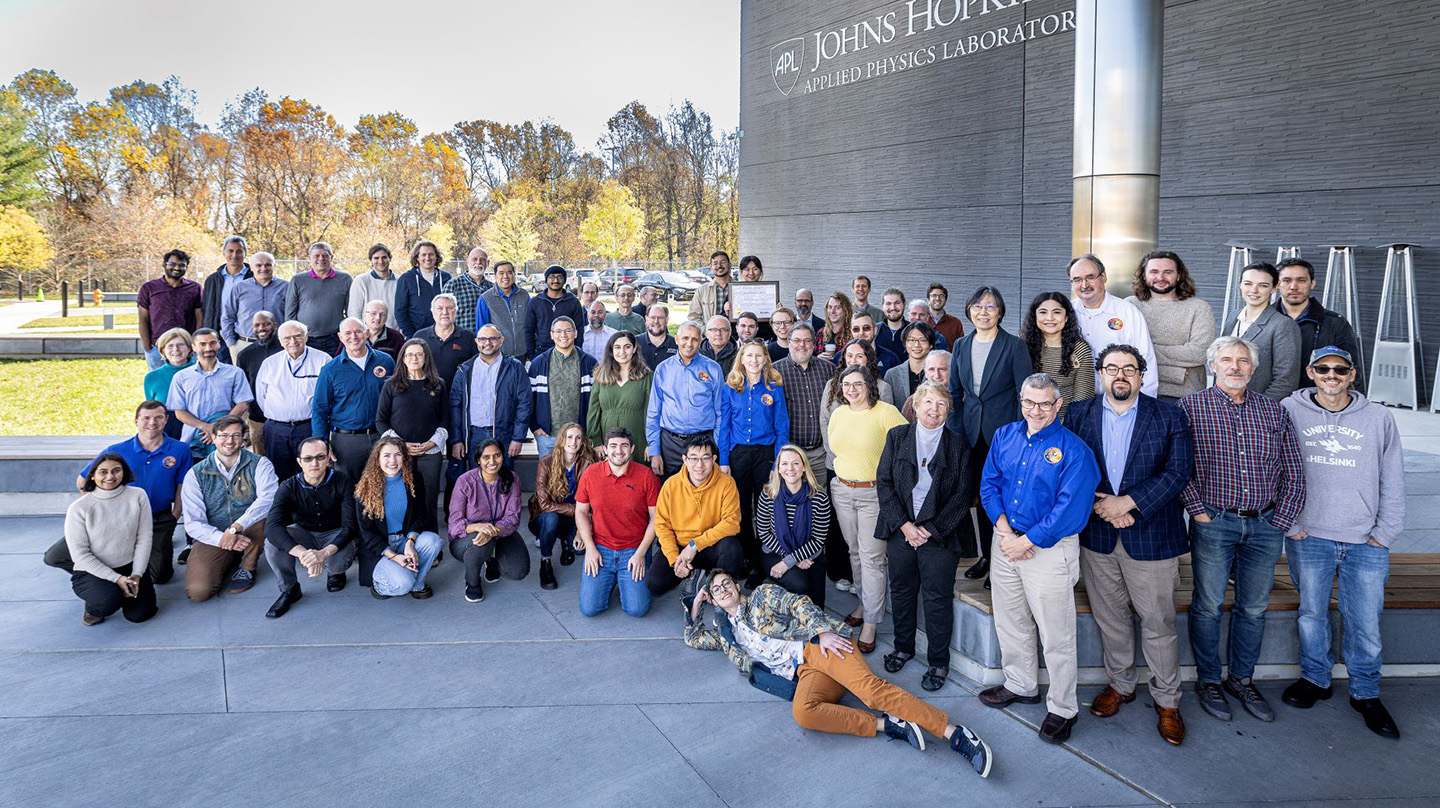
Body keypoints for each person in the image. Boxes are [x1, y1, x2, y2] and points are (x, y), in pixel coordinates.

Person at [684, 569, 993, 777]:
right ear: (712, 599)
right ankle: (890, 726)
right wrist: (695, 605)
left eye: (727, 583)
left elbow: (799, 605)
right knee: (804, 714)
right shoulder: (726, 635)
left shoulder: (762, 596)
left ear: (737, 587)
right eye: (716, 589)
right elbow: (694, 638)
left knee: (871, 692)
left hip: (818, 647)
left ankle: (956, 734)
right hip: (804, 673)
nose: (724, 589)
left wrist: (821, 632)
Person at [1064, 345, 1193, 746]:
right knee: (1111, 619)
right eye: (1112, 368)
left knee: (1159, 623)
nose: (1121, 375)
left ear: (1141, 374)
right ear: (1100, 373)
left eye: (1129, 369)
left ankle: (1167, 700)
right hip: (1099, 535)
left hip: (1152, 534)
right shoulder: (1078, 414)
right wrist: (1105, 506)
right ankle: (1121, 685)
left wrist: (1129, 504)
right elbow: (1069, 469)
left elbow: (1178, 472)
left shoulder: (1170, 415)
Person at [1179, 335, 1305, 724]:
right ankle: (1208, 681)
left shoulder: (1274, 411)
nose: (1235, 366)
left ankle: (1242, 679)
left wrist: (1281, 520)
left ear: (1254, 368)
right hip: (1214, 522)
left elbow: (1295, 471)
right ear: (1212, 365)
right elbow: (1178, 467)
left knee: (1253, 607)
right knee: (1208, 604)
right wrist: (1199, 512)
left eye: (1243, 361)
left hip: (1265, 525)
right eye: (1227, 360)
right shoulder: (1190, 408)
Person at [1280, 346, 1402, 738]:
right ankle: (1316, 679)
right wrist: (1290, 523)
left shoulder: (1379, 417)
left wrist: (1384, 534)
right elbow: (1275, 465)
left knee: (1364, 622)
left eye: (1340, 370)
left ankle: (1365, 692)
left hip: (1365, 540)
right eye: (1323, 369)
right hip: (1310, 533)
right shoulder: (1289, 410)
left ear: (1352, 375)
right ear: (1310, 373)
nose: (1331, 376)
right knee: (1312, 614)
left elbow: (1394, 478)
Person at [977, 373, 1101, 744]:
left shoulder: (1075, 450)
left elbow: (1071, 509)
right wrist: (1004, 532)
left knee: (1056, 633)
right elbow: (990, 483)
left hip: (1049, 550)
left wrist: (1027, 540)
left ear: (1058, 404)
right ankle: (1021, 683)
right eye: (1029, 402)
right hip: (1006, 541)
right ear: (1021, 401)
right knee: (1011, 620)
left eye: (1045, 403)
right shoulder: (1005, 435)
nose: (1036, 410)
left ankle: (1063, 707)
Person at [877, 382, 974, 691]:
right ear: (915, 406)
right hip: (901, 530)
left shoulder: (958, 445)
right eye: (928, 402)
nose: (934, 409)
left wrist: (930, 530)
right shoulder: (897, 437)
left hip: (941, 536)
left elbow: (962, 497)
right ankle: (903, 646)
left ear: (949, 411)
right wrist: (905, 526)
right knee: (902, 591)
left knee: (936, 599)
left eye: (941, 404)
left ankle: (938, 662)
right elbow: (884, 483)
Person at [44, 401, 192, 586]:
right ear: (136, 421)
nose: (152, 422)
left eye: (158, 417)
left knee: (160, 577)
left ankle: (127, 568)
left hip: (157, 519)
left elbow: (182, 486)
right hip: (117, 516)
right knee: (55, 556)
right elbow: (82, 481)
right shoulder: (118, 450)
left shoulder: (180, 450)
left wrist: (175, 515)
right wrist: (98, 507)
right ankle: (98, 578)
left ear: (166, 420)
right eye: (146, 418)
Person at [949, 286, 1031, 586]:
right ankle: (986, 555)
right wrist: (957, 428)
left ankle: (1002, 560)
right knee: (981, 498)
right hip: (970, 434)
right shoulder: (960, 345)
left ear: (1000, 312)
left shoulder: (1014, 346)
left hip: (1005, 435)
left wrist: (1021, 436)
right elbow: (955, 392)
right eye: (978, 306)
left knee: (1002, 498)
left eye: (991, 307)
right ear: (970, 310)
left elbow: (1025, 394)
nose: (983, 312)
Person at [826, 364, 907, 653]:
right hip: (843, 489)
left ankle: (872, 621)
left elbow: (905, 447)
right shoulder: (839, 413)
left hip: (873, 493)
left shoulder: (885, 412)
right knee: (855, 553)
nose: (852, 389)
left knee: (872, 557)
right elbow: (834, 448)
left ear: (869, 385)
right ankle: (865, 602)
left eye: (858, 384)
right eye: (847, 385)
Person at [179, 415, 278, 601]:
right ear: (213, 437)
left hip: (250, 527)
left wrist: (235, 528)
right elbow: (193, 523)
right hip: (215, 533)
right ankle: (231, 554)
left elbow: (268, 499)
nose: (230, 441)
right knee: (199, 592)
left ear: (243, 438)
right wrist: (222, 538)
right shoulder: (196, 474)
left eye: (236, 435)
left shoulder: (260, 464)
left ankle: (248, 566)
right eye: (224, 435)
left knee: (266, 516)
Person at [262, 436, 360, 618]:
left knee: (339, 561)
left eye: (320, 457)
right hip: (304, 534)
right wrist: (304, 554)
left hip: (334, 533)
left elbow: (350, 526)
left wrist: (322, 554)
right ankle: (290, 589)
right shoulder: (288, 486)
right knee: (272, 543)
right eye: (308, 458)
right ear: (299, 462)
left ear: (329, 458)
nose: (314, 463)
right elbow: (272, 526)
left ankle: (335, 572)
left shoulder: (343, 481)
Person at [719, 340, 790, 587]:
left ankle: (763, 563)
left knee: (765, 510)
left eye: (758, 356)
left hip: (765, 454)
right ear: (742, 358)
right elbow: (724, 426)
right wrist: (724, 460)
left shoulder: (774, 387)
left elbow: (782, 428)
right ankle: (746, 558)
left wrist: (776, 465)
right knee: (740, 509)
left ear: (765, 359)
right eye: (749, 355)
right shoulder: (731, 387)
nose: (753, 360)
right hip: (738, 454)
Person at [575, 427, 660, 616]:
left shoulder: (646, 476)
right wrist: (590, 548)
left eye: (624, 446)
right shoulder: (591, 473)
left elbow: (656, 518)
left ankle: (623, 579)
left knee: (637, 609)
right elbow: (581, 511)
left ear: (632, 449)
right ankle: (613, 578)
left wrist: (641, 553)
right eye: (613, 446)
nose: (618, 450)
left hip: (633, 550)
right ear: (605, 449)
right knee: (590, 608)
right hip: (600, 548)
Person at [65, 454, 157, 626]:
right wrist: (116, 579)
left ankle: (121, 589)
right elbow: (80, 555)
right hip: (92, 570)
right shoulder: (79, 508)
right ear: (92, 475)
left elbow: (144, 538)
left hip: (129, 566)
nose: (110, 477)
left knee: (139, 615)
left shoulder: (138, 495)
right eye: (103, 472)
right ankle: (92, 603)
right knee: (107, 602)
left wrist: (137, 574)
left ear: (124, 472)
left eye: (116, 471)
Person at [649, 433, 743, 596]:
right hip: (680, 545)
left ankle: (713, 580)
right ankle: (692, 574)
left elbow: (732, 522)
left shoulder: (726, 483)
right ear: (684, 459)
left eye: (705, 458)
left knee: (732, 549)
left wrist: (695, 545)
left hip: (711, 544)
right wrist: (674, 559)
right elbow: (662, 525)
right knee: (655, 584)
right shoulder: (671, 484)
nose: (699, 465)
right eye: (693, 458)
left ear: (714, 459)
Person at [356, 437, 444, 599]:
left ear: (404, 457)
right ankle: (381, 587)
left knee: (433, 541)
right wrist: (394, 556)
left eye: (397, 455)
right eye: (386, 455)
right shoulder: (366, 487)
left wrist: (410, 542)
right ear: (377, 459)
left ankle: (417, 584)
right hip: (379, 548)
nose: (392, 460)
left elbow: (419, 515)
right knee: (402, 584)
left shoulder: (413, 479)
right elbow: (367, 533)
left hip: (404, 540)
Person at [376, 338, 448, 535]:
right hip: (399, 455)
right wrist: (400, 446)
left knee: (429, 500)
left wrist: (432, 443)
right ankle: (405, 541)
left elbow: (444, 419)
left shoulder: (438, 384)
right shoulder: (391, 385)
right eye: (409, 355)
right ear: (403, 359)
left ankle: (432, 545)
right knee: (402, 498)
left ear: (426, 358)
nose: (414, 358)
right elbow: (380, 421)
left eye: (418, 354)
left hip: (430, 453)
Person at [312, 317, 396, 482]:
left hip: (381, 436)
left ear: (366, 333)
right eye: (348, 333)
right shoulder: (330, 370)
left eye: (358, 331)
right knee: (348, 491)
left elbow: (397, 399)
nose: (354, 337)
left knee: (382, 487)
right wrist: (322, 445)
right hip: (346, 442)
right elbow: (319, 410)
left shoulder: (386, 361)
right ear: (340, 337)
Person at [1127, 250, 1215, 403]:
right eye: (1154, 271)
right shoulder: (1130, 305)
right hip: (1137, 392)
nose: (1160, 277)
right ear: (1144, 275)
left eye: (1168, 272)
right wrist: (1173, 373)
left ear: (1179, 275)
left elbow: (1200, 353)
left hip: (1185, 397)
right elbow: (1124, 352)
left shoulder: (1199, 308)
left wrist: (1146, 350)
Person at [1067, 254, 1159, 397]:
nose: (1084, 285)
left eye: (1090, 277)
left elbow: (1146, 360)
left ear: (1103, 277)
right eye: (1077, 280)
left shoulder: (1128, 312)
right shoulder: (1065, 313)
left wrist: (1145, 402)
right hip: (1075, 400)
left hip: (1119, 399)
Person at [448, 439, 528, 602]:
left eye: (497, 455)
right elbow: (454, 524)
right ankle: (473, 583)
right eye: (486, 457)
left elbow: (512, 518)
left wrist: (493, 531)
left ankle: (492, 559)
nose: (492, 462)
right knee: (480, 542)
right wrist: (479, 527)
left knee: (518, 571)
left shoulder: (512, 479)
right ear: (478, 460)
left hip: (500, 533)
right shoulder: (465, 481)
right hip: (466, 540)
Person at [754, 444, 830, 606]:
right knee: (801, 585)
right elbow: (764, 534)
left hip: (811, 554)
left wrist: (792, 559)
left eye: (796, 463)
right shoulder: (768, 495)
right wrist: (791, 560)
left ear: (804, 467)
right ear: (779, 468)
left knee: (816, 602)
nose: (790, 468)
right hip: (775, 551)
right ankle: (775, 592)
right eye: (785, 463)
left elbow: (818, 539)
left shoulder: (819, 497)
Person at [645, 322, 724, 477]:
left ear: (701, 341)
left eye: (694, 339)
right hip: (670, 444)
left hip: (703, 442)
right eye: (685, 338)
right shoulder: (663, 369)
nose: (689, 343)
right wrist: (655, 451)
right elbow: (654, 413)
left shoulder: (713, 369)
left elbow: (720, 412)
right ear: (677, 339)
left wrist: (717, 446)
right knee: (671, 492)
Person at [448, 324, 531, 470]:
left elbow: (524, 405)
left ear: (501, 340)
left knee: (503, 483)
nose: (487, 342)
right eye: (482, 339)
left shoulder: (515, 368)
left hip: (503, 434)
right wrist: (456, 440)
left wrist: (518, 438)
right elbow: (455, 407)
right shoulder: (464, 369)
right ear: (476, 341)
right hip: (473, 435)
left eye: (493, 338)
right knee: (476, 482)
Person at [1276, 258, 1364, 392]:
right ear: (1277, 284)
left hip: (1319, 403)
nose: (1294, 286)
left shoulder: (1336, 324)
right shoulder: (1263, 321)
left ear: (1312, 283)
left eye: (1301, 280)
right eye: (1286, 280)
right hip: (1271, 403)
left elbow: (1352, 371)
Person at [254, 321, 328, 480]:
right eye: (287, 338)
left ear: (306, 336)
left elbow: (329, 397)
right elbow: (261, 396)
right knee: (278, 475)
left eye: (297, 336)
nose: (293, 342)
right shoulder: (270, 363)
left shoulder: (323, 360)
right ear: (280, 341)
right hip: (276, 429)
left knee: (312, 475)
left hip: (309, 427)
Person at [1221, 261, 1303, 400]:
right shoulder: (1233, 316)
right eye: (1248, 283)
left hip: (1257, 410)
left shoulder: (1283, 325)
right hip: (1223, 403)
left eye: (1263, 285)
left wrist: (1258, 409)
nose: (1254, 290)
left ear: (1274, 288)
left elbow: (1285, 381)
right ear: (1240, 284)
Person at [167, 328, 253, 458]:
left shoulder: (235, 373)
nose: (208, 348)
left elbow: (243, 404)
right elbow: (179, 412)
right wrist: (206, 427)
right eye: (202, 344)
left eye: (213, 343)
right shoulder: (181, 377)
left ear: (219, 344)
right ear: (193, 347)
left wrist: (219, 428)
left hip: (226, 439)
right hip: (193, 439)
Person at [529, 423, 594, 589]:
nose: (574, 442)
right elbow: (544, 504)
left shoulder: (587, 464)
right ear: (562, 440)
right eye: (569, 437)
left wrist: (581, 531)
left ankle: (566, 541)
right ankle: (546, 562)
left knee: (579, 550)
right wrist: (575, 510)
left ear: (582, 442)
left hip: (574, 519)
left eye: (578, 437)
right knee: (552, 518)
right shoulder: (546, 463)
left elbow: (593, 501)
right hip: (546, 517)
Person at [773, 322, 835, 486]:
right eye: (797, 340)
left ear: (814, 344)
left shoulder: (829, 369)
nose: (802, 345)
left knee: (819, 501)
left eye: (807, 340)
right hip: (789, 455)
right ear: (789, 342)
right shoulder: (774, 372)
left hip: (820, 454)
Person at [821, 340, 898, 471]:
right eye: (849, 355)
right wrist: (834, 455)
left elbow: (887, 432)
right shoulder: (831, 385)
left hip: (868, 465)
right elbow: (824, 420)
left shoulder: (882, 388)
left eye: (859, 356)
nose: (853, 360)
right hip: (835, 462)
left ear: (869, 359)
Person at [527, 316, 597, 459]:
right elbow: (528, 400)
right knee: (548, 479)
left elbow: (596, 401)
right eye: (558, 331)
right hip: (547, 436)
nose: (563, 335)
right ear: (551, 334)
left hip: (579, 437)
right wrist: (534, 426)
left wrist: (590, 432)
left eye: (568, 331)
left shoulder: (589, 363)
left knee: (579, 478)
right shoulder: (539, 364)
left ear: (576, 333)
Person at [1020, 292, 1095, 418]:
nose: (1050, 318)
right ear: (1035, 316)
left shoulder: (1080, 349)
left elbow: (1083, 399)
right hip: (1027, 421)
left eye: (1057, 312)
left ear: (1066, 317)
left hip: (1064, 424)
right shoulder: (1021, 345)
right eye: (1043, 312)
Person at [586, 331, 652, 462]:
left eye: (627, 346)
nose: (622, 351)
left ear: (634, 349)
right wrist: (597, 441)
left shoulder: (646, 376)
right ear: (611, 350)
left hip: (637, 439)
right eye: (617, 347)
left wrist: (650, 443)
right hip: (607, 441)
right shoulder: (601, 376)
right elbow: (593, 410)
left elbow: (650, 412)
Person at [138, 249, 203, 370]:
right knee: (161, 385)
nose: (177, 268)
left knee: (189, 385)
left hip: (186, 349)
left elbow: (200, 319)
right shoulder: (149, 288)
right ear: (164, 265)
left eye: (181, 265)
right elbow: (143, 320)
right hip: (157, 348)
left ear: (187, 267)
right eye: (172, 264)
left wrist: (195, 346)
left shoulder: (195, 288)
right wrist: (148, 348)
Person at [283, 241, 352, 356]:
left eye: (325, 255)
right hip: (306, 339)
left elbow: (350, 310)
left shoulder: (345, 279)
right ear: (309, 258)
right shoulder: (298, 280)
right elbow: (290, 312)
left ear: (331, 257)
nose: (321, 259)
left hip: (334, 338)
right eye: (316, 255)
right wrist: (293, 337)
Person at [221, 251, 288, 362]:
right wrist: (232, 345)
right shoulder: (239, 288)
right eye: (258, 265)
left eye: (268, 264)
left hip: (277, 346)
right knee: (245, 379)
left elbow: (291, 316)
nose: (263, 268)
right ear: (251, 267)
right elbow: (227, 317)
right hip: (245, 345)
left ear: (274, 266)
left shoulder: (286, 287)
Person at [234, 311, 281, 455]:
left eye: (266, 324)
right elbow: (243, 388)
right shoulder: (244, 355)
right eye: (257, 325)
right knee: (260, 459)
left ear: (275, 325)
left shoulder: (285, 350)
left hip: (282, 419)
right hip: (257, 418)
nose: (261, 328)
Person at [412, 293, 477, 392]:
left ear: (456, 311)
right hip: (426, 394)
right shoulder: (420, 337)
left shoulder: (468, 337)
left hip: (459, 395)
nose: (445, 312)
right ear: (432, 312)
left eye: (449, 308)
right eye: (439, 308)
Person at [202, 235, 252, 359]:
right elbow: (207, 309)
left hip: (245, 335)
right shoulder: (213, 279)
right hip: (220, 335)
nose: (234, 255)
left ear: (245, 253)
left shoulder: (253, 277)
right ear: (224, 253)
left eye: (239, 251)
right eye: (230, 251)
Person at [143, 327, 196, 441]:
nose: (176, 349)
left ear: (190, 348)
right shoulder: (152, 378)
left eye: (180, 345)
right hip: (167, 433)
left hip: (198, 430)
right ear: (163, 350)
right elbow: (150, 410)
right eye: (170, 346)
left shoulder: (201, 372)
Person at [393, 240, 453, 337]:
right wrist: (412, 335)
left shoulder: (446, 278)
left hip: (444, 334)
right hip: (417, 334)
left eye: (431, 254)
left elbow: (453, 306)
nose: (427, 258)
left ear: (436, 257)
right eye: (423, 255)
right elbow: (400, 311)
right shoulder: (406, 279)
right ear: (417, 257)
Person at [525, 265, 585, 358]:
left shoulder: (573, 302)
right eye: (552, 277)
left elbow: (579, 330)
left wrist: (576, 352)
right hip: (541, 351)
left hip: (567, 351)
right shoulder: (536, 302)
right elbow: (529, 330)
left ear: (564, 280)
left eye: (560, 277)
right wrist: (531, 355)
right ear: (546, 280)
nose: (556, 280)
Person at [481, 260, 529, 358]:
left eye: (509, 272)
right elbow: (482, 330)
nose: (505, 276)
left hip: (522, 353)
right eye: (501, 273)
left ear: (514, 275)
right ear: (495, 276)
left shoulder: (524, 295)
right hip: (498, 354)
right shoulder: (486, 298)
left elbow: (531, 322)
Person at [442, 246, 494, 333]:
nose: (478, 262)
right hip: (461, 340)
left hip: (487, 342)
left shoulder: (492, 288)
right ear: (468, 262)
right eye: (474, 259)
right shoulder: (453, 285)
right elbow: (443, 315)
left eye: (482, 259)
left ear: (487, 263)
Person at [347, 243, 400, 322]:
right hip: (368, 332)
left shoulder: (400, 281)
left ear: (390, 259)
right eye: (376, 258)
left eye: (384, 257)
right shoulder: (361, 281)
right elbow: (354, 313)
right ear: (371, 260)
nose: (380, 261)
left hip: (395, 331)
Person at [884, 321, 936, 400]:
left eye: (922, 340)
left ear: (931, 344)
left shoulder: (937, 374)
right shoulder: (892, 375)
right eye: (911, 340)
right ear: (905, 343)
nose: (916, 345)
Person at [901, 350, 950, 422]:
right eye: (931, 369)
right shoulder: (913, 401)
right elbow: (905, 431)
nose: (937, 375)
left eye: (942, 369)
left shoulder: (964, 399)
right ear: (926, 373)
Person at [689, 250, 735, 322]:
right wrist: (706, 331)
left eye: (723, 262)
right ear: (710, 266)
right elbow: (693, 316)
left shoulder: (739, 288)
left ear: (730, 264)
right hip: (710, 332)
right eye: (715, 263)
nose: (719, 266)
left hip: (735, 332)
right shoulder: (702, 290)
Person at [639, 303, 678, 369]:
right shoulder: (635, 343)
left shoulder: (677, 344)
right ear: (646, 319)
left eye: (660, 318)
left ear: (667, 319)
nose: (656, 321)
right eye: (653, 317)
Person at [875, 287, 909, 360]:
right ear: (882, 306)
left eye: (897, 303)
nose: (893, 307)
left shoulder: (912, 330)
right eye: (888, 303)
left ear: (904, 304)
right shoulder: (874, 330)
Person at [818, 291, 852, 363]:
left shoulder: (852, 334)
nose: (832, 311)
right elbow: (810, 358)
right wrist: (817, 359)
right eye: (830, 307)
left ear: (846, 310)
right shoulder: (821, 333)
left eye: (837, 308)